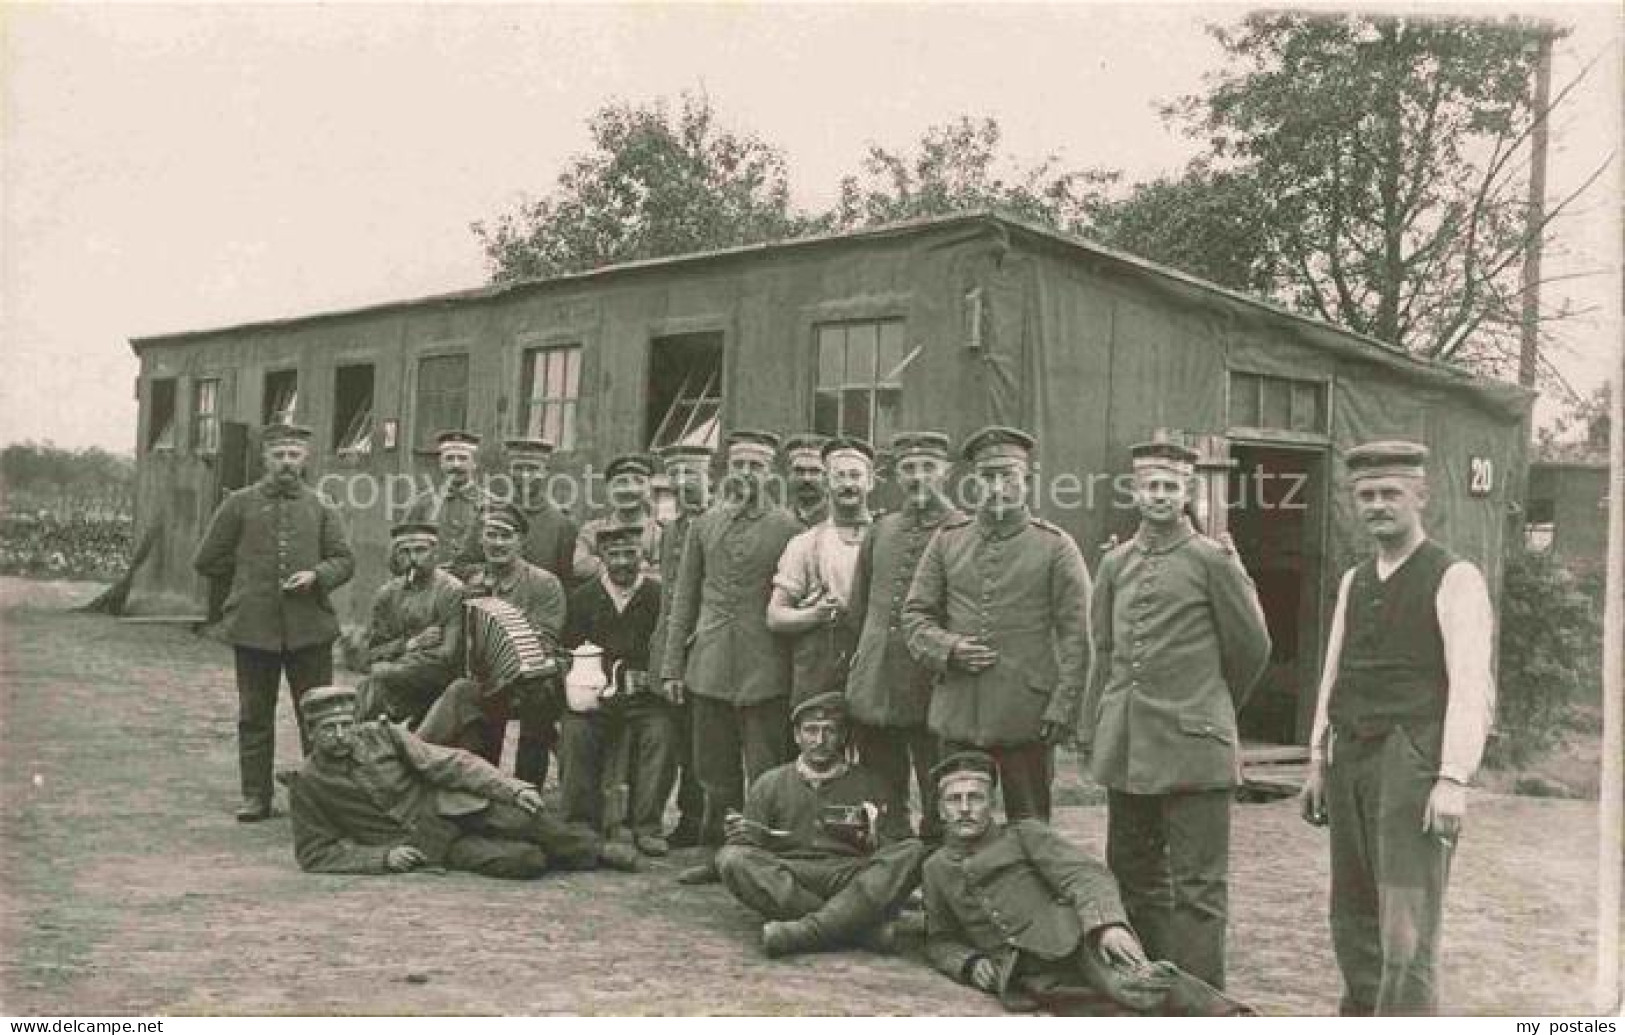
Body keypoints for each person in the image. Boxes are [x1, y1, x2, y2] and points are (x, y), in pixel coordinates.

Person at [1298, 441, 1495, 1015]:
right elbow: (1334, 673)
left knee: (1405, 930)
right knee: (1353, 915)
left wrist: (1454, 777)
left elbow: (1471, 686)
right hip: (1350, 760)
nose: (1377, 505)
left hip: (1411, 763)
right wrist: (1317, 759)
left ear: (1420, 497)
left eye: (1390, 493)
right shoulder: (1356, 579)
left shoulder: (1454, 577)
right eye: (1366, 495)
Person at [1081, 440, 1270, 991]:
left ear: (1187, 493)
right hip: (1130, 746)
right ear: (1135, 493)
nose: (1160, 496)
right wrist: (1096, 725)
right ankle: (1143, 988)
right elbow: (1106, 648)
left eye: (1171, 486)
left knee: (1198, 888)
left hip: (1195, 747)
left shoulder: (1212, 560)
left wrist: (1211, 707)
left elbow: (1252, 647)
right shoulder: (1115, 563)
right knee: (1134, 876)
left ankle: (1198, 998)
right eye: (1150, 486)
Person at [921, 751, 1251, 1016]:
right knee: (1106, 1013)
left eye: (975, 798)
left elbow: (1085, 874)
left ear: (991, 803)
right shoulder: (936, 868)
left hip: (1076, 943)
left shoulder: (1024, 835)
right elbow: (939, 939)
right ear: (940, 809)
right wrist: (969, 963)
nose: (965, 809)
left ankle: (1231, 1017)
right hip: (1027, 975)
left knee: (1137, 987)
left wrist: (1106, 926)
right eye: (954, 800)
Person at [901, 426, 1091, 822]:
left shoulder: (1055, 546)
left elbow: (1078, 636)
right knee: (954, 823)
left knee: (1031, 827)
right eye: (988, 477)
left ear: (1027, 481)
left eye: (1008, 476)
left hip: (1027, 715)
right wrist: (948, 648)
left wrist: (1063, 707)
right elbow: (915, 616)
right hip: (958, 714)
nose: (997, 486)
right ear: (974, 482)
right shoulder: (948, 541)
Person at [289, 686, 638, 876]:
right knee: (524, 861)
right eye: (327, 729)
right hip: (424, 842)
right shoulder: (308, 782)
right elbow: (314, 854)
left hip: (453, 807)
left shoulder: (382, 735)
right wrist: (383, 857)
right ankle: (555, 855)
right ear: (310, 732)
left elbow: (451, 763)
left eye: (344, 725)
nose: (339, 736)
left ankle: (597, 851)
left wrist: (511, 787)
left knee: (526, 819)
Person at [193, 423, 355, 822]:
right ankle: (255, 796)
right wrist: (248, 578)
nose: (286, 462)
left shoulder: (322, 506)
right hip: (254, 630)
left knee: (318, 715)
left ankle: (321, 796)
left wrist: (317, 576)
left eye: (294, 455)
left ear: (306, 459)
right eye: (279, 454)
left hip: (309, 630)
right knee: (254, 715)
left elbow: (344, 560)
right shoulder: (239, 504)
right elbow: (207, 559)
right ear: (265, 458)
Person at [660, 430, 801, 883]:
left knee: (765, 765)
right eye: (739, 464)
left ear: (770, 472)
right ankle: (717, 851)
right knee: (713, 767)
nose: (746, 474)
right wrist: (672, 667)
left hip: (765, 665)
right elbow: (684, 599)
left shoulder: (789, 529)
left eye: (756, 466)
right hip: (710, 662)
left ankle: (762, 853)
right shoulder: (705, 525)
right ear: (726, 469)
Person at [715, 691, 926, 958]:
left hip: (850, 877)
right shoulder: (770, 783)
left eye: (830, 731)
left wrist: (872, 834)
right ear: (797, 736)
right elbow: (754, 847)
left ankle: (807, 931)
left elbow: (896, 846)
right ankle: (858, 928)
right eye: (811, 731)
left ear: (843, 736)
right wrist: (740, 835)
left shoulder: (872, 783)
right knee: (732, 859)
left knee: (913, 851)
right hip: (792, 877)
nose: (819, 740)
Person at [846, 431, 961, 843]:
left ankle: (936, 860)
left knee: (938, 779)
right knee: (881, 779)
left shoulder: (960, 529)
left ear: (946, 473)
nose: (918, 477)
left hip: (931, 679)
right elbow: (859, 607)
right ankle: (893, 857)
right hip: (878, 678)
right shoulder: (882, 529)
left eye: (928, 467)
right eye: (909, 468)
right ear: (896, 475)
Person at [417, 503, 567, 785]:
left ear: (521, 542)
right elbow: (460, 640)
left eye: (505, 536)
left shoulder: (545, 583)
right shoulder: (472, 584)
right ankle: (416, 755)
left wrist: (511, 637)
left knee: (537, 699)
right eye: (491, 535)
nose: (497, 543)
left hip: (533, 681)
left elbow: (545, 641)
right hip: (486, 681)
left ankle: (527, 786)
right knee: (461, 691)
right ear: (481, 539)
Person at [559, 523, 675, 856]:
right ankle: (580, 821)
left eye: (630, 553)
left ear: (643, 555)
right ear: (601, 557)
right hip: (595, 696)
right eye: (614, 554)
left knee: (661, 732)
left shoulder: (658, 597)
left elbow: (670, 649)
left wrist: (650, 680)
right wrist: (583, 682)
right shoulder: (583, 598)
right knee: (575, 730)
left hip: (645, 698)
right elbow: (568, 650)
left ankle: (646, 824)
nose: (623, 562)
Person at [767, 436, 875, 708]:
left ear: (870, 482)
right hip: (818, 669)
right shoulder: (805, 544)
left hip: (874, 670)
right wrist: (814, 614)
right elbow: (775, 616)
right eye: (839, 476)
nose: (848, 484)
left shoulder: (886, 538)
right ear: (827, 483)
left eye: (855, 476)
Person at [647, 442, 714, 849]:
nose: (686, 483)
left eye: (694, 474)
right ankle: (685, 818)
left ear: (709, 478)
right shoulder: (671, 529)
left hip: (705, 643)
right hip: (672, 644)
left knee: (705, 738)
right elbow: (671, 594)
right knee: (679, 734)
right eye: (678, 475)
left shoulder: (715, 523)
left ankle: (702, 816)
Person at [353, 522, 464, 726]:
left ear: (435, 553)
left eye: (421, 550)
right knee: (369, 689)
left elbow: (448, 655)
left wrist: (390, 665)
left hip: (437, 681)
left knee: (375, 683)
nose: (413, 558)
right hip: (397, 678)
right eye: (405, 551)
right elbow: (367, 653)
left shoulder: (451, 591)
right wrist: (411, 644)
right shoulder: (387, 594)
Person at [403, 429, 491, 582]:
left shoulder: (490, 504)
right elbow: (400, 551)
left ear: (474, 463)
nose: (456, 465)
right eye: (450, 458)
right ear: (441, 463)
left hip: (474, 588)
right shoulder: (423, 503)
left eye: (463, 458)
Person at [573, 452, 662, 580]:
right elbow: (579, 566)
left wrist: (603, 565)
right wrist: (637, 569)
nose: (629, 489)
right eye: (621, 482)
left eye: (639, 481)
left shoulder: (660, 533)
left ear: (650, 488)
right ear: (608, 489)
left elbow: (664, 575)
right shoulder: (592, 530)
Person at [504, 437, 578, 582]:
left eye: (532, 469)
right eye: (518, 468)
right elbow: (465, 565)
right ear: (509, 471)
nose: (525, 475)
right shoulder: (490, 513)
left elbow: (566, 580)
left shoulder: (562, 524)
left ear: (546, 472)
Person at [783, 433, 831, 529]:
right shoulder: (778, 522)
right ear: (789, 475)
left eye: (814, 471)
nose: (806, 478)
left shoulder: (839, 523)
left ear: (828, 476)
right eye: (799, 471)